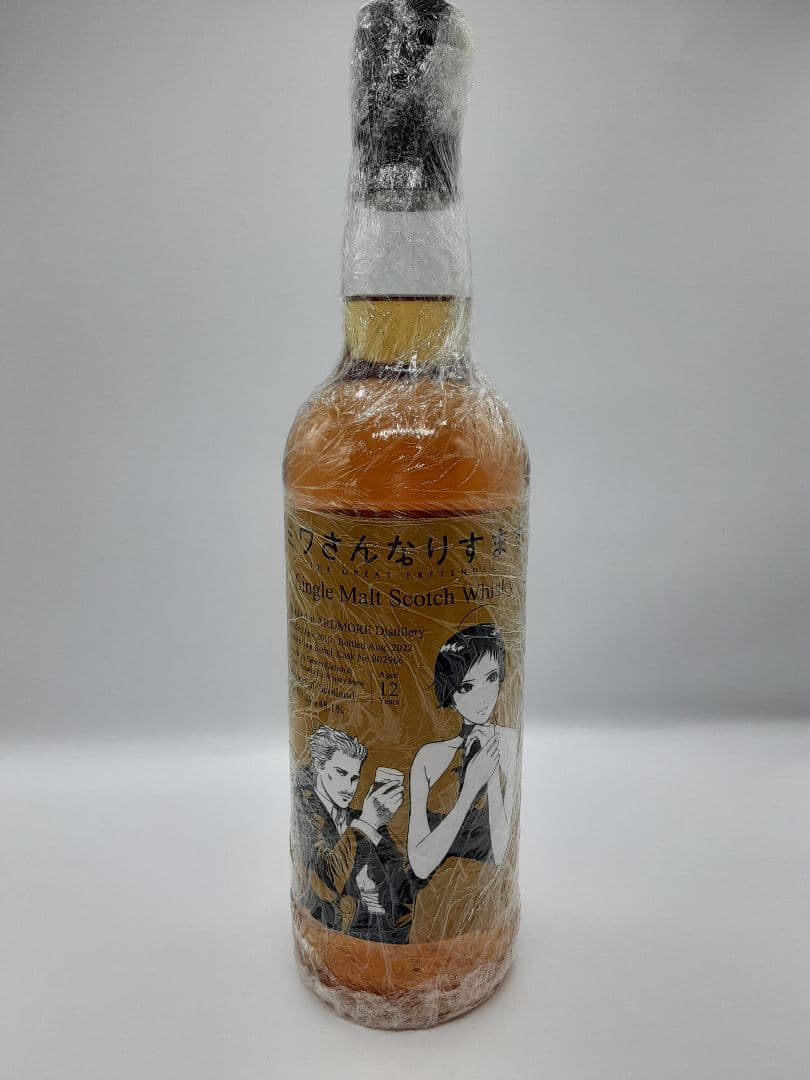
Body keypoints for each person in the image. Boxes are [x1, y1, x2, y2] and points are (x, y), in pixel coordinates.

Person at [406, 624, 519, 941]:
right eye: (467, 686)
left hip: (486, 914)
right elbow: (420, 864)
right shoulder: (429, 757)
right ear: (451, 696)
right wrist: (469, 790)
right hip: (428, 916)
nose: (483, 696)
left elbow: (502, 850)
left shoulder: (509, 743)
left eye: (491, 678)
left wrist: (491, 775)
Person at [292, 724, 416, 944]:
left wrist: (373, 827)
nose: (349, 787)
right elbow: (326, 882)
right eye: (341, 773)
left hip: (388, 937)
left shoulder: (358, 818)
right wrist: (368, 822)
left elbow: (403, 889)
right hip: (340, 938)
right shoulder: (306, 813)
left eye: (354, 778)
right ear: (319, 765)